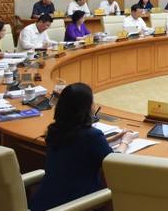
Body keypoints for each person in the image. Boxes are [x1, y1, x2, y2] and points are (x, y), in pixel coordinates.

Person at [30, 83, 134, 211]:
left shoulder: (54, 130)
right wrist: (125, 142)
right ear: (87, 107)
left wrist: (113, 138)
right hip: (77, 204)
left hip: (44, 204)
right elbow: (114, 164)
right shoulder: (91, 136)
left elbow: (78, 146)